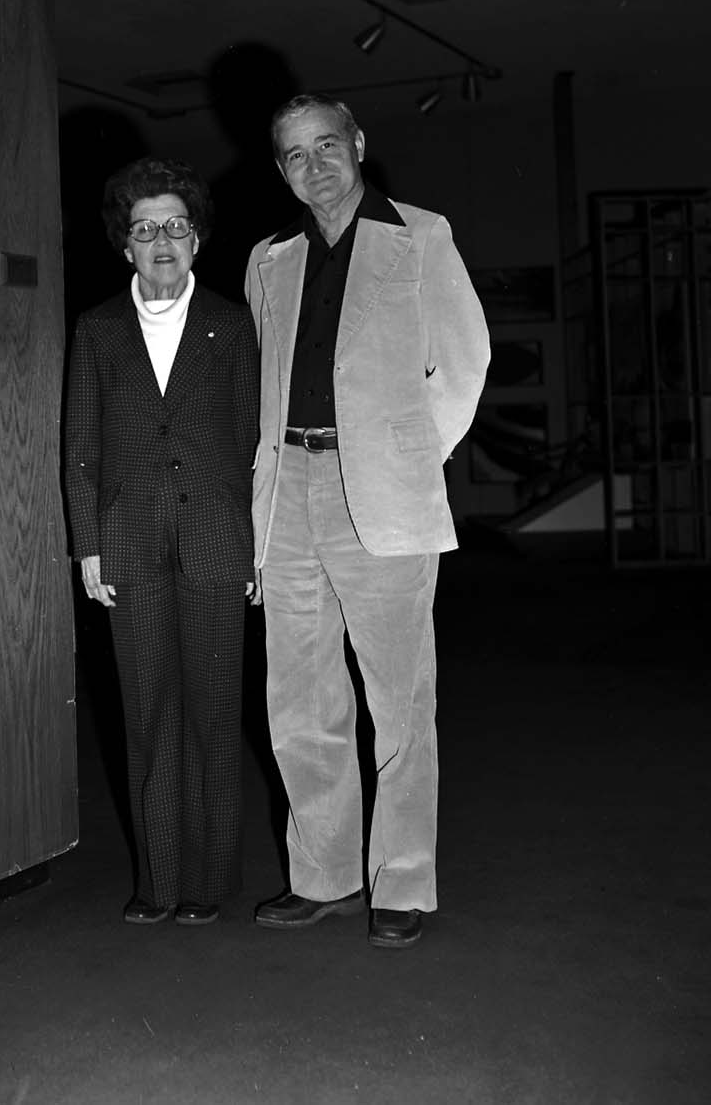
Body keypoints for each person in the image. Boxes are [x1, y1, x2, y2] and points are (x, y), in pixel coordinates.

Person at [245, 95, 489, 949]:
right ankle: (323, 872)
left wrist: (406, 455)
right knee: (300, 699)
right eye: (294, 154)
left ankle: (405, 881)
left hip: (380, 492)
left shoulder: (420, 236)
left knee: (399, 698)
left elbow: (464, 364)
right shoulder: (268, 257)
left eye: (326, 145)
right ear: (280, 169)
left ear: (357, 143)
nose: (314, 165)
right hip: (288, 493)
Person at [64, 157, 259, 926]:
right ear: (126, 247)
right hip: (130, 547)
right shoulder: (97, 329)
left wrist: (256, 549)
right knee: (148, 718)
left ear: (198, 239)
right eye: (145, 230)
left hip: (216, 543)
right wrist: (88, 546)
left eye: (176, 226)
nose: (162, 241)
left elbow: (250, 443)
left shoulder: (233, 323)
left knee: (214, 716)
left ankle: (209, 886)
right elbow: (78, 447)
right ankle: (159, 883)